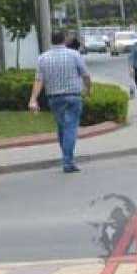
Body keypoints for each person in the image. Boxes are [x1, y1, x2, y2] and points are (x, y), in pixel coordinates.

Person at [29, 30, 92, 174]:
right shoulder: (74, 55)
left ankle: (67, 157)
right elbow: (86, 75)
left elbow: (39, 80)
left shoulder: (43, 58)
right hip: (73, 97)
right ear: (64, 39)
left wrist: (33, 99)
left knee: (62, 127)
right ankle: (68, 162)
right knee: (70, 128)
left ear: (52, 40)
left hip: (54, 98)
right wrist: (88, 89)